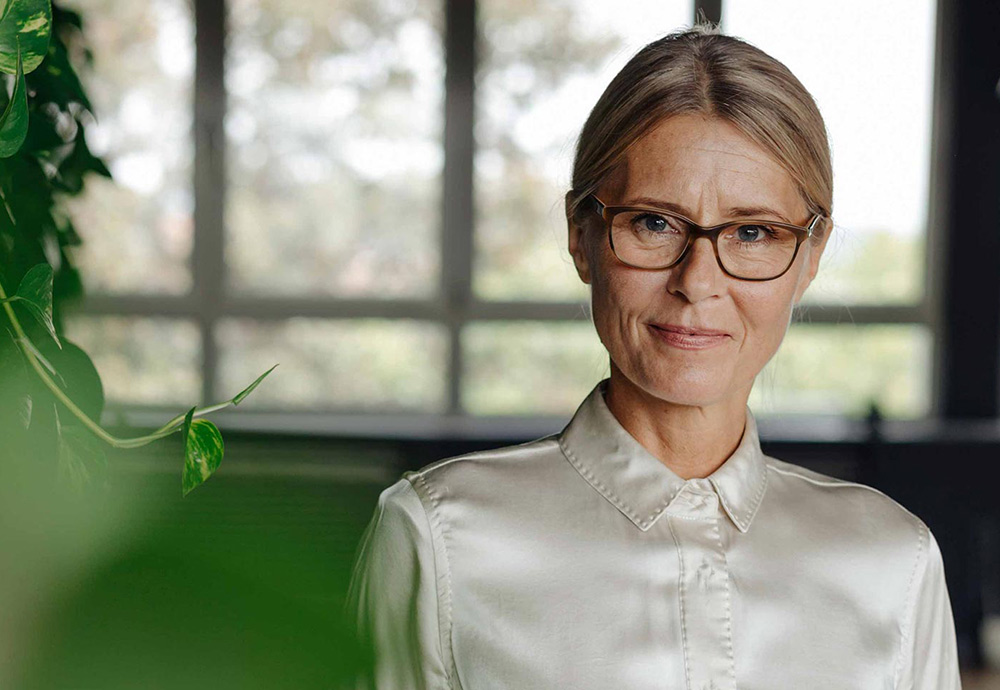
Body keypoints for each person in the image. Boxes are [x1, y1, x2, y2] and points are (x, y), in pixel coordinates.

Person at [343, 23, 962, 690]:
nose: (698, 282)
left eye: (753, 232)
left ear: (810, 256)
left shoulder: (894, 561)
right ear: (581, 236)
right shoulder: (439, 537)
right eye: (654, 222)